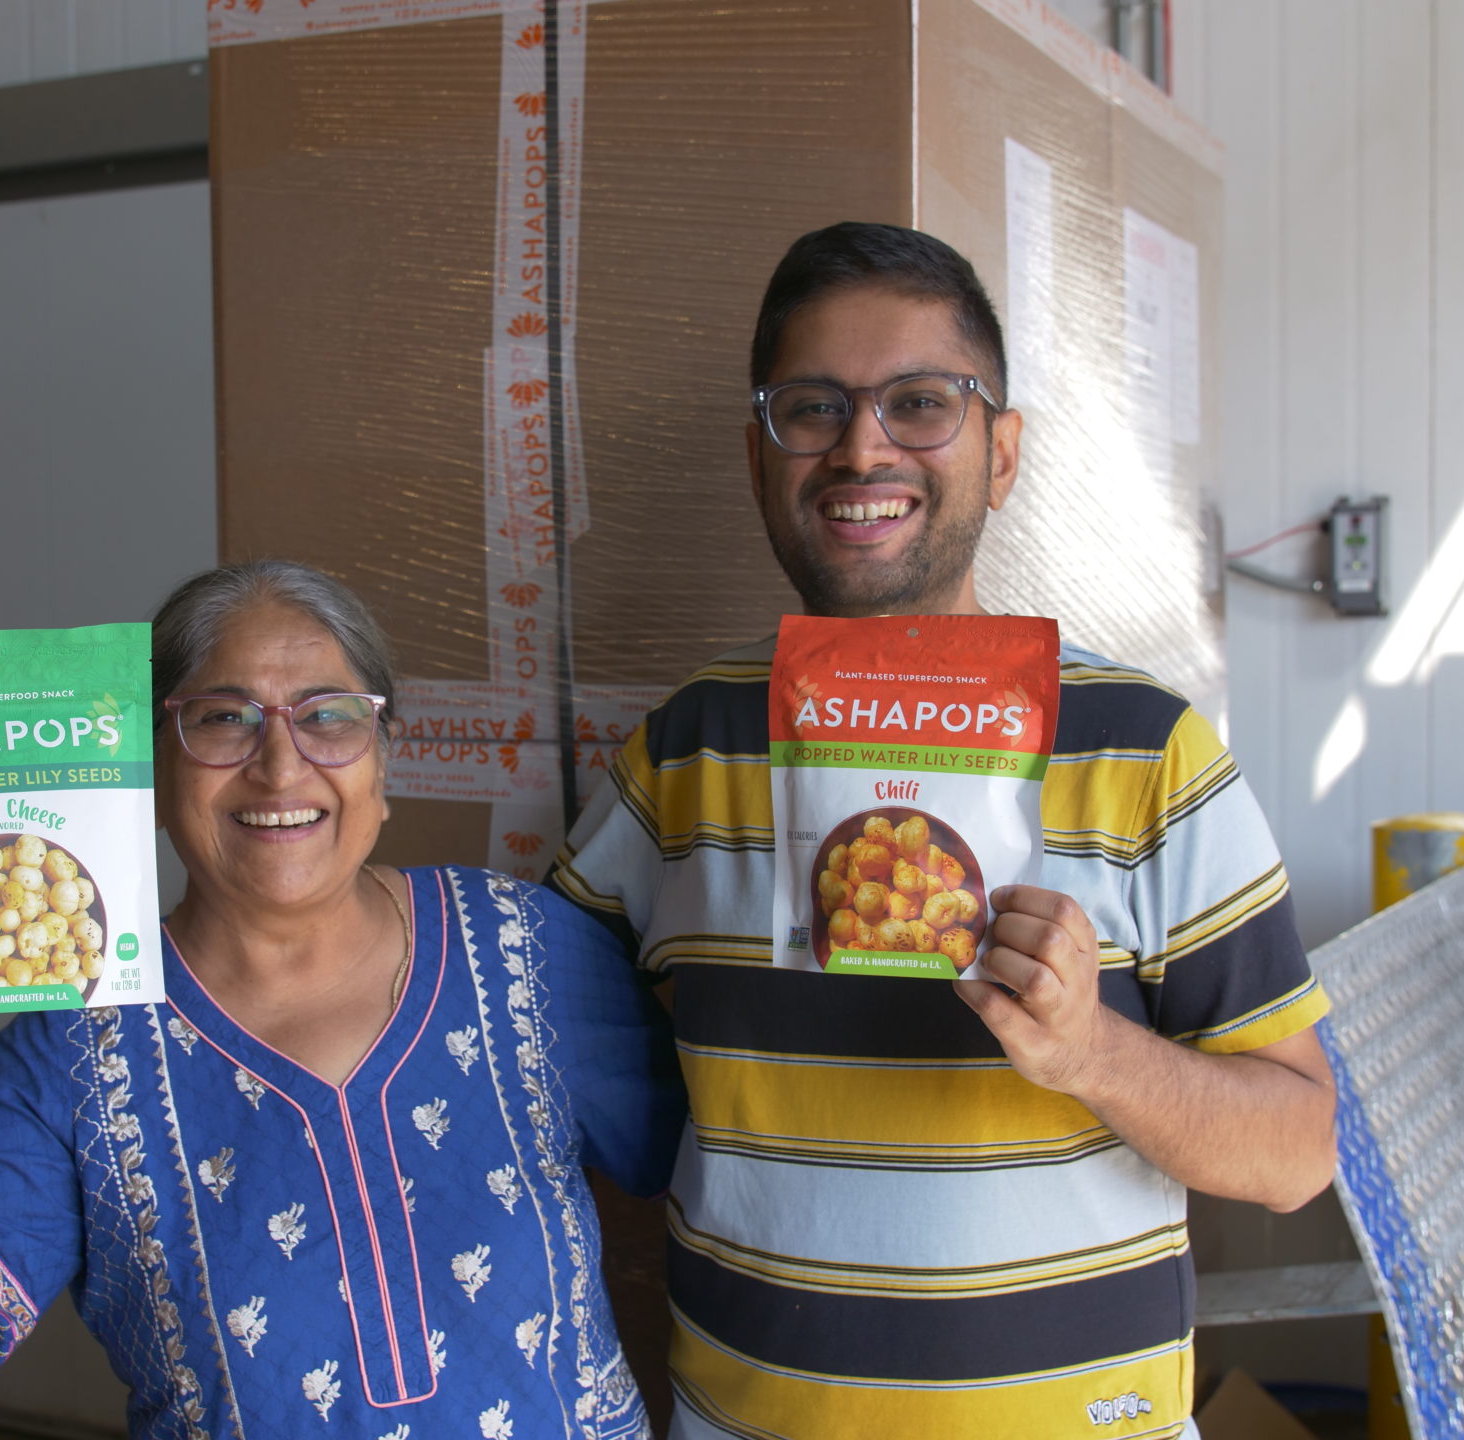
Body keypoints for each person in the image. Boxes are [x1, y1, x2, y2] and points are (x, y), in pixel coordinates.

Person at [549, 223, 1336, 1439]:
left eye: (921, 401)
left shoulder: (1147, 752)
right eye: (810, 407)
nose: (861, 446)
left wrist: (1094, 1054)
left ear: (1002, 453)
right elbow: (528, 1035)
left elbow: (1298, 1152)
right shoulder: (686, 753)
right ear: (760, 460)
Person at [0, 559, 685, 1438]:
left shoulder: (529, 950)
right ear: (150, 773)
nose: (281, 767)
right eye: (222, 718)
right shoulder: (73, 1054)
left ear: (383, 763)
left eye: (330, 716)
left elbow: (722, 1166)